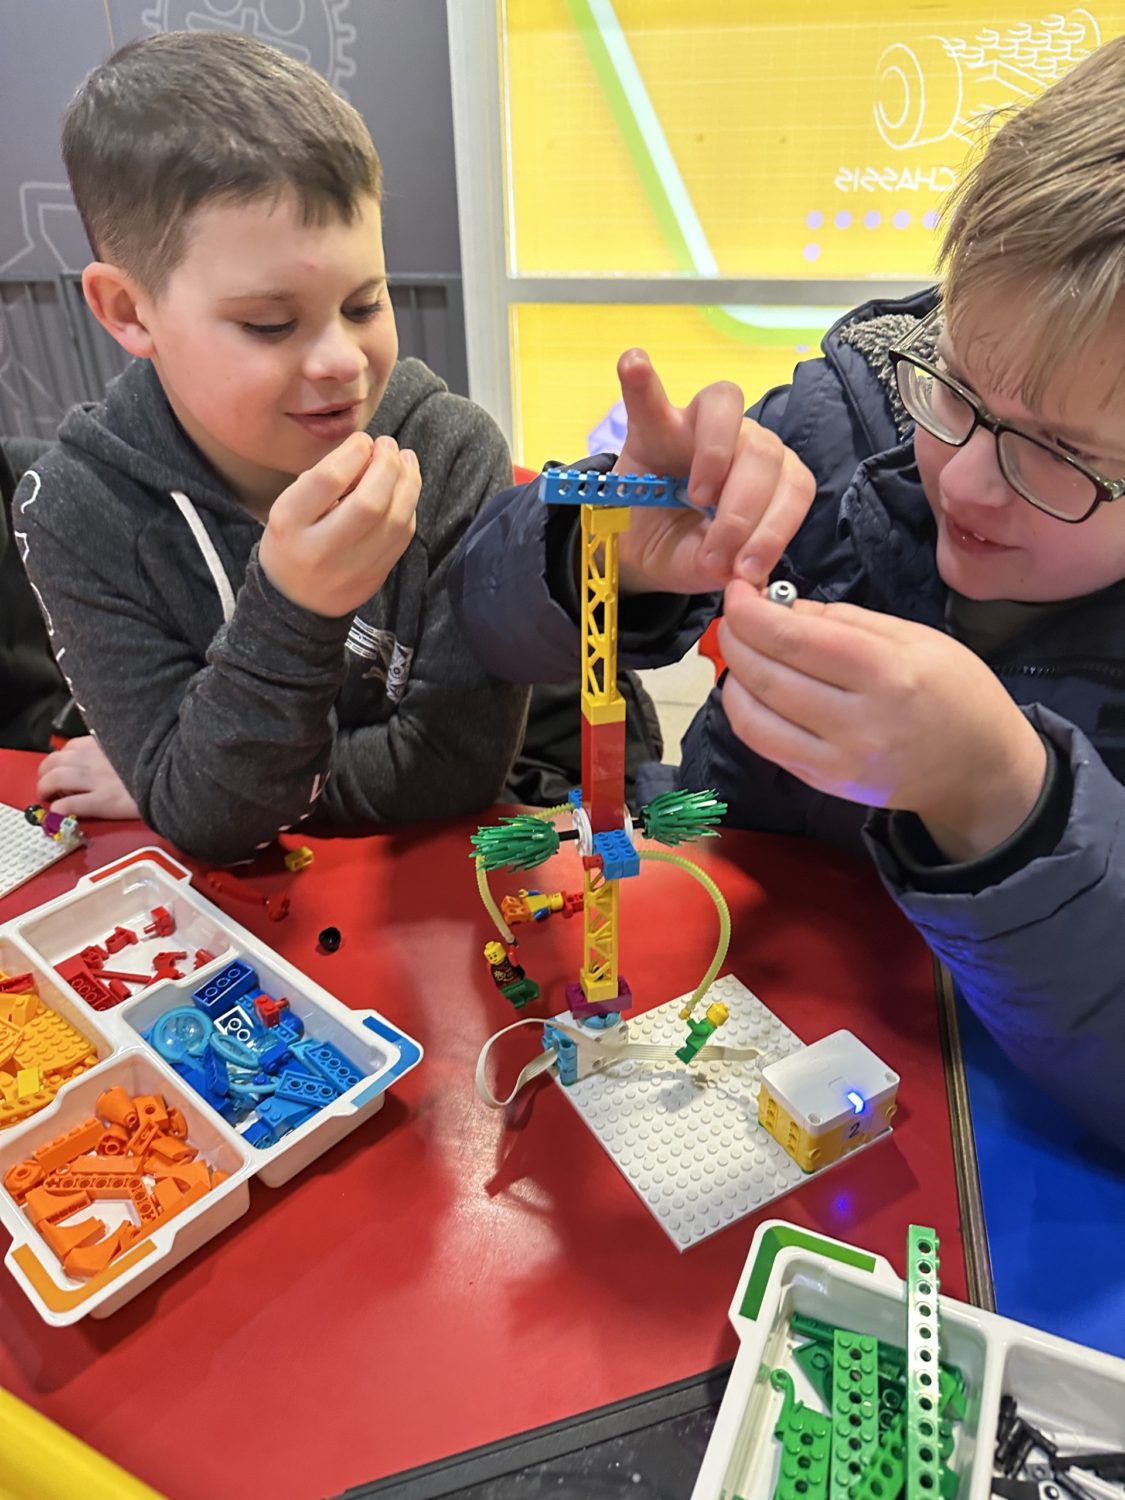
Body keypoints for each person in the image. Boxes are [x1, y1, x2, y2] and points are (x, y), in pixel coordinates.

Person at [451, 39, 1125, 1151]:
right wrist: (596, 548)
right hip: (715, 966)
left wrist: (1005, 799)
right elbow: (473, 610)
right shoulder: (849, 426)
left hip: (991, 1128)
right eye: (958, 385)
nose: (962, 480)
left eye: (1061, 454)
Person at [16, 29, 529, 863]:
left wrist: (181, 782)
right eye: (269, 323)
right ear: (128, 312)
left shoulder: (449, 452)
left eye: (365, 305)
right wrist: (293, 611)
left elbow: (450, 769)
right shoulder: (73, 509)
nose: (341, 362)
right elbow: (205, 818)